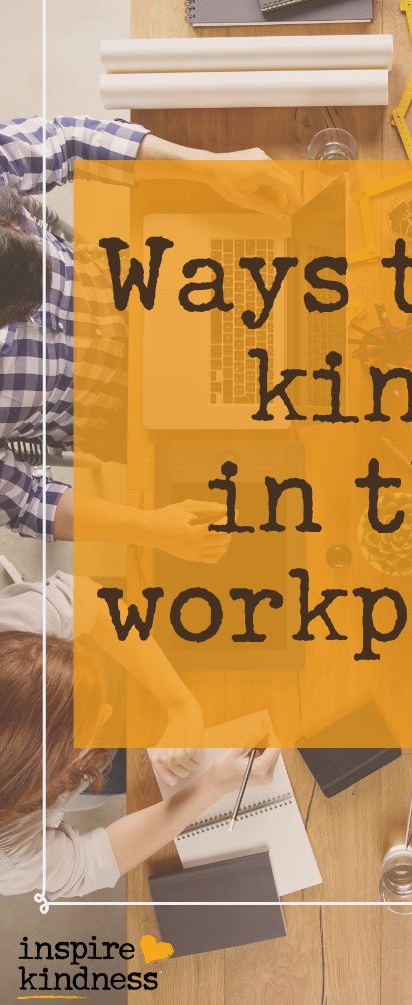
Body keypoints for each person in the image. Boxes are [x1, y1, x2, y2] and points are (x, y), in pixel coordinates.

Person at [0, 114, 299, 549]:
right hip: (135, 417)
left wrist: (205, 164)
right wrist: (151, 529)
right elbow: (25, 500)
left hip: (149, 278)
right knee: (300, 453)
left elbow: (67, 141)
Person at [0, 570, 278, 899]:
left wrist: (181, 705)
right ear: (39, 771)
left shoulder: (11, 635)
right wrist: (214, 784)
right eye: (86, 727)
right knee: (123, 779)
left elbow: (92, 600)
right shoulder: (10, 855)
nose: (108, 713)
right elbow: (89, 865)